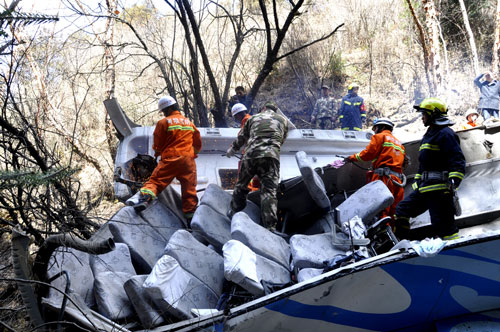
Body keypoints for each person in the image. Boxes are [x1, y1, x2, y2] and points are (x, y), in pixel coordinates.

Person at [394, 98, 465, 241]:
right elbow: (424, 164)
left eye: (424, 114)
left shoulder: (446, 133)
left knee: (445, 228)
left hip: (440, 191)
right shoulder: (428, 135)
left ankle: (454, 254)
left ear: (433, 114)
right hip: (425, 189)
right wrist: (418, 183)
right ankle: (401, 248)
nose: (422, 118)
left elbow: (457, 159)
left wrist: (453, 182)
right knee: (401, 210)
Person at [135, 96, 202, 223]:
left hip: (171, 159)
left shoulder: (163, 123)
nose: (164, 113)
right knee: (189, 189)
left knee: (156, 181)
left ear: (169, 108)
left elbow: (158, 144)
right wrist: (192, 153)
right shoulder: (189, 122)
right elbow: (198, 143)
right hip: (188, 161)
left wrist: (157, 153)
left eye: (164, 111)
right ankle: (191, 220)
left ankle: (144, 200)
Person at [226, 101, 289, 230]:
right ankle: (270, 227)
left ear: (263, 108)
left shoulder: (254, 118)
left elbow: (242, 137)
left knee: (241, 185)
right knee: (269, 192)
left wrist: (232, 150)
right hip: (271, 157)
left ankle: (234, 215)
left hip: (250, 156)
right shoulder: (283, 120)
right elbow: (281, 139)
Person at [345, 117, 406, 220]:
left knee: (381, 209)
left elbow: (368, 154)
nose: (374, 131)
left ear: (381, 127)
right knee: (393, 211)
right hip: (397, 181)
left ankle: (383, 235)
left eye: (375, 128)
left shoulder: (379, 137)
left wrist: (352, 158)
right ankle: (393, 234)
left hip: (384, 179)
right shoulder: (399, 143)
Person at [231, 103, 260, 191]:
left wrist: (232, 148)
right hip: (259, 153)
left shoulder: (247, 121)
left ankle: (246, 194)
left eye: (236, 117)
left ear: (238, 115)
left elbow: (242, 137)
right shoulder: (255, 120)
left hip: (250, 154)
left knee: (244, 179)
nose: (236, 120)